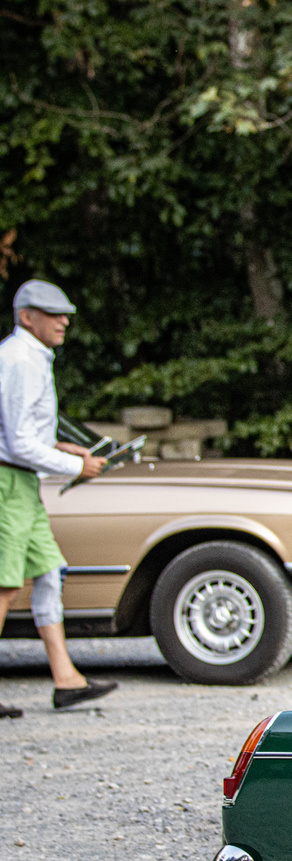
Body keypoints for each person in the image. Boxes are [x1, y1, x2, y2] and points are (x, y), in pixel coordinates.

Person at [0, 280, 118, 716]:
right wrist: (73, 466)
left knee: (49, 572)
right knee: (4, 585)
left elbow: (23, 433)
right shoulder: (19, 359)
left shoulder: (31, 357)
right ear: (27, 317)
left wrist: (62, 447)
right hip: (8, 483)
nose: (65, 321)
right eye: (54, 313)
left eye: (66, 313)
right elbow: (16, 443)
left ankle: (66, 680)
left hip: (22, 484)